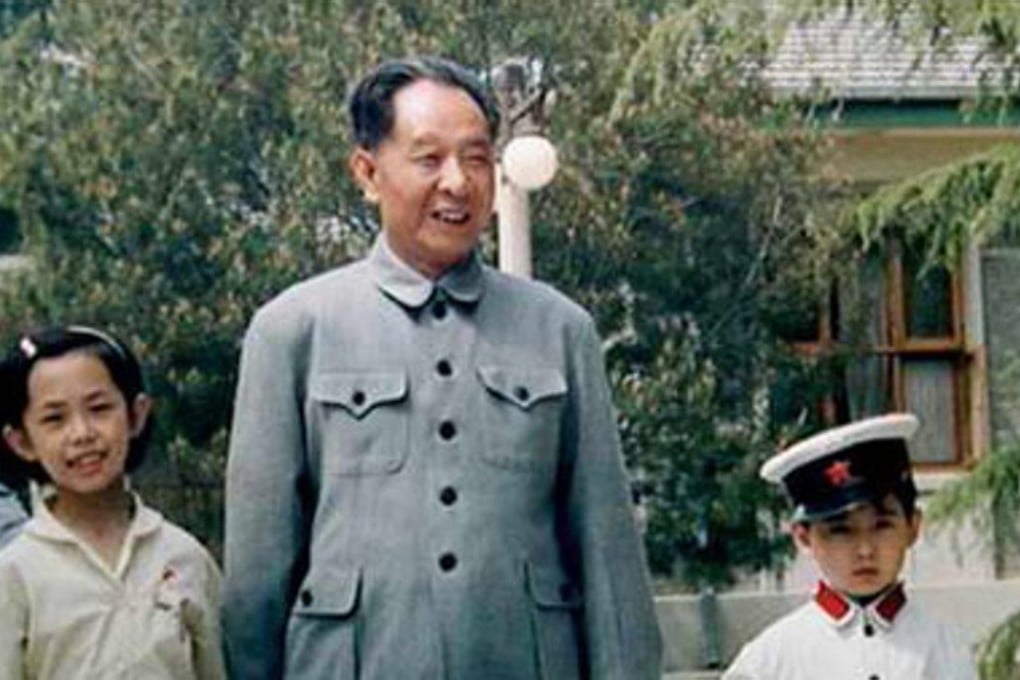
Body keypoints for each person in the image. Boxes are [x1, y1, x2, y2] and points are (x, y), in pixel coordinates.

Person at [222, 55, 662, 679]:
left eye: (476, 157)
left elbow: (608, 555)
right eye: (428, 159)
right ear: (368, 173)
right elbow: (256, 578)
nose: (457, 182)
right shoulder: (293, 331)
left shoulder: (560, 331)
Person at [0, 325, 226, 679]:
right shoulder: (15, 573)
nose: (82, 434)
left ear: (136, 415)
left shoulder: (184, 557)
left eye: (99, 408)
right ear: (22, 442)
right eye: (54, 419)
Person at [723, 413, 976, 680]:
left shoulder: (944, 648)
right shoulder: (769, 660)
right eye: (841, 531)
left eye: (882, 526)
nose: (865, 550)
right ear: (804, 537)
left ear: (912, 527)